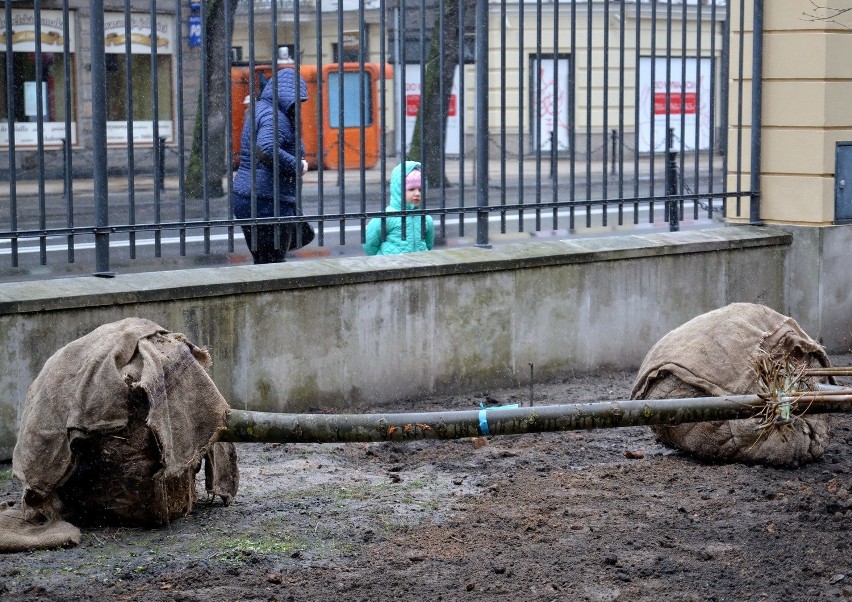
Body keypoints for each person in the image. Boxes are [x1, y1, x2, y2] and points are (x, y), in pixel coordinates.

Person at [232, 68, 312, 264]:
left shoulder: (259, 109)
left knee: (263, 261)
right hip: (268, 199)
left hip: (248, 196)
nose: (298, 106)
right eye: (297, 101)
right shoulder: (275, 117)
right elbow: (266, 149)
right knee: (273, 266)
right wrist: (298, 165)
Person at [363, 161, 434, 256]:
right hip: (391, 267)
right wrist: (382, 260)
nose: (417, 193)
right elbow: (369, 244)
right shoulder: (385, 217)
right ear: (399, 191)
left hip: (420, 266)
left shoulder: (426, 218)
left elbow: (429, 244)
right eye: (411, 189)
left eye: (420, 189)